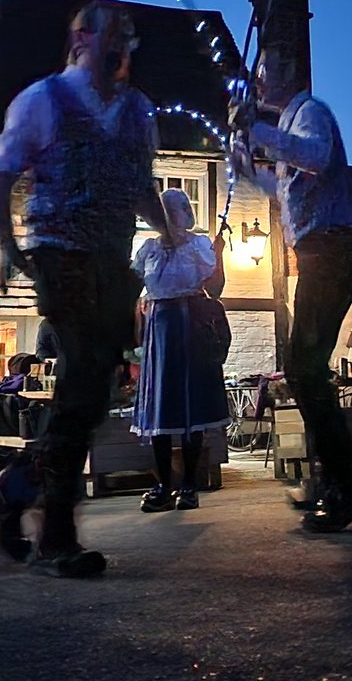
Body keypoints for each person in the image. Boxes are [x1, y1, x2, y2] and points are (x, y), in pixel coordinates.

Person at [0, 0, 169, 577]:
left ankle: (14, 491)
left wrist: (167, 230)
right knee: (81, 378)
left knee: (89, 395)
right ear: (82, 37)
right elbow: (0, 173)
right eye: (116, 35)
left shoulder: (139, 111)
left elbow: (139, 185)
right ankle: (56, 537)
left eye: (130, 38)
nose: (125, 47)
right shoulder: (43, 99)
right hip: (59, 255)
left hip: (112, 263)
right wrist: (5, 246)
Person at [230, 50, 352, 532]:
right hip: (325, 253)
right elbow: (287, 187)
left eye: (262, 72)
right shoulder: (295, 122)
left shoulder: (310, 113)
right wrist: (246, 162)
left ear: (287, 73)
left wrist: (258, 133)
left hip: (333, 250)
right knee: (305, 367)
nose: (255, 82)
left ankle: (345, 484)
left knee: (302, 366)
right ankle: (344, 480)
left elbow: (315, 158)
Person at [132, 188, 229, 511]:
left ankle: (188, 484)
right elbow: (133, 287)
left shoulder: (198, 246)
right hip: (159, 327)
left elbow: (214, 288)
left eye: (174, 213)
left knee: (191, 408)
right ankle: (162, 485)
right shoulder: (148, 250)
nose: (170, 220)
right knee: (160, 406)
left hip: (189, 325)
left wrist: (220, 253)